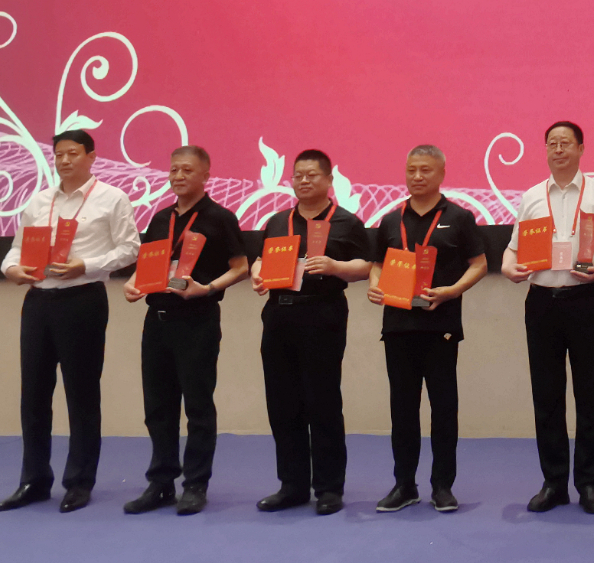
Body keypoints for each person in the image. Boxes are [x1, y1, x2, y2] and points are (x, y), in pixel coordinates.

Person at [0, 129, 140, 513]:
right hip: (38, 301)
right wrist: (11, 269)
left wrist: (85, 265)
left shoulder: (112, 197)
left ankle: (79, 481)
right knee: (33, 395)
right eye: (58, 154)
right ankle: (33, 480)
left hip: (82, 299)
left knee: (81, 393)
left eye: (72, 153)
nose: (64, 160)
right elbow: (15, 249)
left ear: (91, 156)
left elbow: (130, 248)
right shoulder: (40, 200)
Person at [502, 121, 594, 514]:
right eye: (551, 143)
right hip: (541, 301)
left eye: (565, 143)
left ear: (581, 149)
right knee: (546, 395)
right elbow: (513, 250)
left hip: (586, 300)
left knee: (589, 395)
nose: (558, 149)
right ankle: (554, 483)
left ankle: (589, 483)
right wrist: (508, 267)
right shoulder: (531, 197)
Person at [122, 146, 249, 516]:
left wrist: (207, 288)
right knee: (157, 407)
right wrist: (132, 283)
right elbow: (148, 264)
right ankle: (161, 482)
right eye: (174, 169)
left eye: (187, 170)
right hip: (157, 321)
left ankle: (195, 484)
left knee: (197, 406)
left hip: (197, 320)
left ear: (205, 175)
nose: (178, 176)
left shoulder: (220, 217)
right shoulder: (160, 218)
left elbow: (241, 267)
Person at [367, 145, 487, 513]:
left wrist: (452, 291)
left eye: (425, 170)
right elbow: (377, 265)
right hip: (398, 326)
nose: (417, 176)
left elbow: (479, 264)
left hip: (441, 326)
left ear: (441, 174)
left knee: (443, 408)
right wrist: (374, 284)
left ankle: (442, 486)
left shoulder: (460, 217)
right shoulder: (391, 220)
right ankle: (404, 485)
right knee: (402, 409)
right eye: (412, 170)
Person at [250, 149, 371, 516]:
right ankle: (292, 485)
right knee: (282, 403)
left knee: (322, 401)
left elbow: (367, 266)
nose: (303, 181)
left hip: (322, 313)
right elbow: (260, 259)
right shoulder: (277, 221)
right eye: (298, 175)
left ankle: (329, 487)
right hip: (279, 314)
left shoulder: (347, 222)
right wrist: (257, 273)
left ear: (329, 180)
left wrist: (335, 266)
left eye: (312, 175)